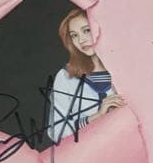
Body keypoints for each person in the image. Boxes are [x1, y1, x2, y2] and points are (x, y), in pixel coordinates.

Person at [48, 10, 126, 145]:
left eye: (87, 30)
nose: (81, 40)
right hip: (92, 152)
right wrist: (96, 117)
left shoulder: (126, 67)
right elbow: (56, 131)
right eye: (74, 35)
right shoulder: (66, 76)